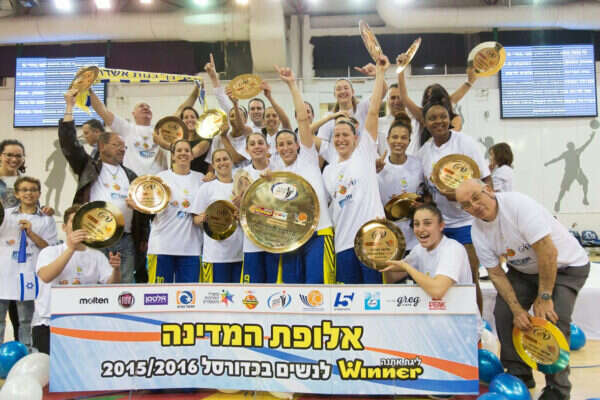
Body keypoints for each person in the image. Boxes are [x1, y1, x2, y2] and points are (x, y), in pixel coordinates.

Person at [456, 179, 590, 399]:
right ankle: (518, 374)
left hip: (566, 267)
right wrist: (517, 309)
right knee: (504, 312)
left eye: (476, 197)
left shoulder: (518, 206)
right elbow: (496, 274)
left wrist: (544, 296)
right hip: (524, 272)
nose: (474, 206)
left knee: (553, 318)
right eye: (466, 205)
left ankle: (558, 389)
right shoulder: (477, 232)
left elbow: (548, 252)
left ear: (488, 190)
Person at [60, 90, 150, 283]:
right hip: (96, 237)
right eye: (117, 145)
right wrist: (69, 107)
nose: (122, 148)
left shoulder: (131, 175)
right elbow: (69, 145)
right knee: (95, 285)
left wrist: (143, 235)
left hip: (126, 240)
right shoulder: (88, 167)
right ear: (102, 147)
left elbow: (143, 212)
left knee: (125, 289)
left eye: (124, 146)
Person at [416, 98, 491, 311]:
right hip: (440, 227)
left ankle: (476, 323)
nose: (438, 121)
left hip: (467, 223)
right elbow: (425, 190)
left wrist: (482, 210)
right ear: (425, 123)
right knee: (440, 281)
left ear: (450, 118)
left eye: (443, 116)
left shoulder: (466, 143)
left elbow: (486, 180)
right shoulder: (424, 153)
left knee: (469, 279)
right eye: (432, 118)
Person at [322, 54, 389, 284]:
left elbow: (373, 111)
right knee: (350, 300)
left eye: (345, 135)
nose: (340, 139)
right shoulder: (328, 171)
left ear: (356, 137)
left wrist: (380, 73)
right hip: (342, 244)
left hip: (372, 240)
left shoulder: (365, 153)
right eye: (336, 135)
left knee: (376, 297)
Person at [269, 65, 335, 284]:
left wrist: (292, 85)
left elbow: (303, 121)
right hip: (290, 236)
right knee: (289, 290)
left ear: (298, 144)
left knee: (317, 289)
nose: (286, 147)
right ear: (276, 149)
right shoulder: (276, 172)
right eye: (281, 144)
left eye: (289, 143)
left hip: (319, 233)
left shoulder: (307, 157)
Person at [32, 204, 121, 355]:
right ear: (64, 227)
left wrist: (116, 269)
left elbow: (112, 286)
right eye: (74, 222)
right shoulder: (50, 251)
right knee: (49, 366)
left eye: (83, 222)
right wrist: (71, 248)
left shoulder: (96, 255)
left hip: (84, 323)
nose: (79, 226)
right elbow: (46, 276)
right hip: (48, 322)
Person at [0, 177, 57, 350]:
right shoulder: (5, 215)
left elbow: (49, 248)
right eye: (24, 190)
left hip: (29, 274)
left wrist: (31, 233)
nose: (29, 193)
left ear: (39, 193)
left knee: (26, 319)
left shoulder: (47, 219)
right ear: (17, 194)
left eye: (33, 190)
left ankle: (27, 353)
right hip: (4, 273)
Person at [383, 204, 473, 298]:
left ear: (441, 226)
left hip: (458, 307)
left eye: (427, 223)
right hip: (432, 307)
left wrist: (407, 267)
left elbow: (437, 291)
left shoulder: (453, 249)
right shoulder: (419, 249)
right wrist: (382, 244)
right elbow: (391, 278)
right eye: (416, 224)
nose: (421, 229)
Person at [145, 140, 204, 283]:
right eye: (179, 150)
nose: (183, 153)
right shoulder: (160, 178)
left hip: (191, 248)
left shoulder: (201, 179)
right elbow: (147, 204)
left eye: (187, 150)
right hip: (162, 247)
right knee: (159, 294)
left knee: (190, 294)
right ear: (172, 156)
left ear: (192, 156)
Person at [396, 54, 477, 152]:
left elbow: (459, 94)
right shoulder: (422, 114)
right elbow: (404, 97)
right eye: (428, 99)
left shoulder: (455, 119)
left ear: (444, 101)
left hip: (450, 157)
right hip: (427, 157)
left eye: (435, 99)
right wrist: (401, 69)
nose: (438, 122)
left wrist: (470, 81)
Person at [87, 89, 169, 176]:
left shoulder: (161, 131)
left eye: (148, 107)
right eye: (141, 106)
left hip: (159, 181)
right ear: (133, 113)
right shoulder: (127, 128)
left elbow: (177, 118)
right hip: (134, 181)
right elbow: (103, 111)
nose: (145, 108)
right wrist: (88, 90)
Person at [316, 63, 386, 164]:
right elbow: (321, 148)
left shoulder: (363, 107)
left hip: (365, 160)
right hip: (342, 164)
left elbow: (382, 92)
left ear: (353, 92)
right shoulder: (329, 117)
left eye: (346, 88)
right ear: (334, 94)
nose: (342, 91)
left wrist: (378, 74)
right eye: (338, 89)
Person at [376, 112, 425, 256]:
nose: (399, 141)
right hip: (388, 238)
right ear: (387, 139)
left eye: (403, 138)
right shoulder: (378, 167)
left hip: (415, 237)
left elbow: (426, 195)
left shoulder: (418, 165)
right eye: (395, 137)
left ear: (409, 141)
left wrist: (421, 205)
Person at [191, 149, 243, 283]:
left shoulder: (242, 187)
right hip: (215, 255)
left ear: (232, 162)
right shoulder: (207, 188)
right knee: (216, 295)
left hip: (240, 253)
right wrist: (205, 217)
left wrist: (241, 215)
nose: (222, 163)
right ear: (213, 165)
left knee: (239, 295)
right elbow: (195, 219)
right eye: (218, 160)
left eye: (225, 159)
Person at [544, 132, 594, 212]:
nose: (572, 148)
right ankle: (559, 202)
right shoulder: (570, 153)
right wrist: (548, 163)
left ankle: (584, 198)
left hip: (576, 172)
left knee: (584, 183)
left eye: (572, 146)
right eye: (571, 146)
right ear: (569, 147)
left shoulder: (573, 152)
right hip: (571, 173)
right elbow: (557, 159)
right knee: (564, 189)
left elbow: (586, 145)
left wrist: (591, 138)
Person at [377, 83, 411, 157]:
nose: (396, 101)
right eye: (393, 98)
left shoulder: (415, 122)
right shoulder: (378, 124)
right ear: (387, 100)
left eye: (400, 97)